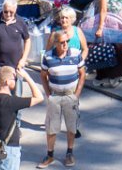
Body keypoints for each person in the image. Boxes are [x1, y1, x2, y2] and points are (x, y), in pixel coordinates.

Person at [39, 27, 84, 167]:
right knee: (51, 128)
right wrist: (48, 94)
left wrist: (76, 94)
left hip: (71, 95)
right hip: (55, 96)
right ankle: (50, 155)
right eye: (62, 42)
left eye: (67, 41)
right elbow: (43, 75)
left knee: (71, 127)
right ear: (55, 43)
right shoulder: (48, 57)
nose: (66, 45)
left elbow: (82, 74)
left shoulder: (76, 54)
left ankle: (69, 153)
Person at [0, 66, 38, 170]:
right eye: (15, 79)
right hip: (9, 148)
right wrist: (26, 76)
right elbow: (39, 97)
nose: (16, 81)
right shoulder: (12, 101)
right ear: (7, 82)